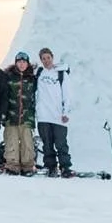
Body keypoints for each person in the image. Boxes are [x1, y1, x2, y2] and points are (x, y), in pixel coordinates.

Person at [35, 48, 74, 177]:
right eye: (43, 59)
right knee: (47, 144)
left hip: (58, 116)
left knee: (61, 143)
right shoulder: (39, 73)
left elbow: (67, 95)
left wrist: (66, 112)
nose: (46, 61)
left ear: (52, 57)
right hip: (43, 116)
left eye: (48, 58)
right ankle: (50, 166)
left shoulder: (61, 74)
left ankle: (65, 167)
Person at [0, 52, 39, 175]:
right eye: (19, 62)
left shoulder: (32, 79)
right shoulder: (8, 77)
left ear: (27, 63)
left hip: (27, 117)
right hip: (11, 115)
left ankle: (27, 166)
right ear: (16, 63)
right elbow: (2, 96)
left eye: (24, 62)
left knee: (27, 142)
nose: (22, 64)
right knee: (11, 141)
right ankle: (12, 165)